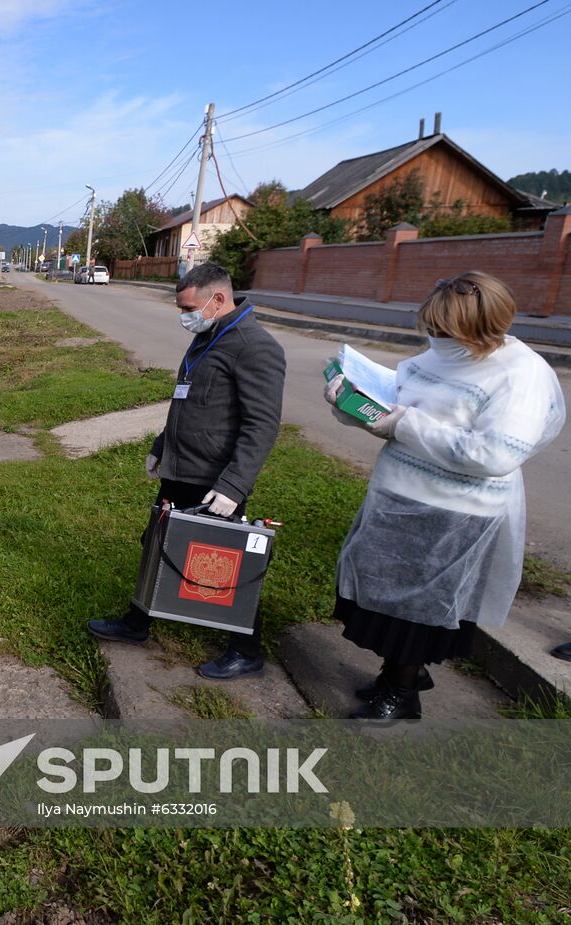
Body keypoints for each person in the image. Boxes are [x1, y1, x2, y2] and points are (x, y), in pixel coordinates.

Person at [325, 272, 565, 720]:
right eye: (431, 329)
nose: (435, 339)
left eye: (444, 331)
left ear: (481, 328)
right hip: (396, 496)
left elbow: (496, 454)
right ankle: (397, 674)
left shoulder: (521, 375)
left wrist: (403, 425)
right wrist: (353, 407)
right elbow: (397, 403)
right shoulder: (440, 354)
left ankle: (402, 692)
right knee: (376, 600)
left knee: (415, 612)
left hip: (454, 513)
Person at [88, 262, 286, 679]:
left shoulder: (254, 346)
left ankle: (247, 649)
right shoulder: (206, 336)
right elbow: (187, 401)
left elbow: (262, 424)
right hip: (181, 469)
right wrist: (162, 447)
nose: (184, 317)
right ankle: (137, 623)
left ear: (218, 299)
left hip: (215, 482)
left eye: (189, 308)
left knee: (225, 561)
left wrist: (234, 483)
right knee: (158, 543)